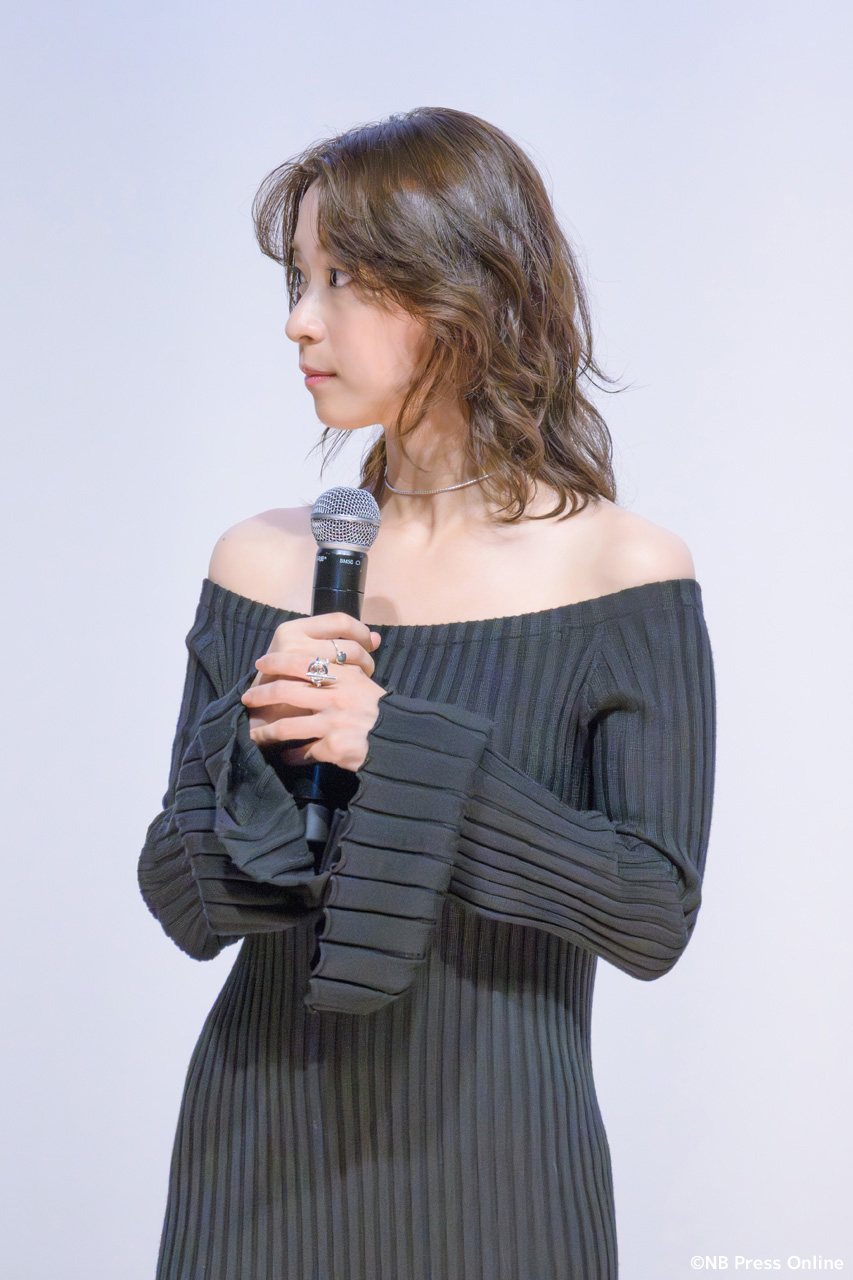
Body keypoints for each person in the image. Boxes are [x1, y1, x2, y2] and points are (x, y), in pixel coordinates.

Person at [138, 106, 716, 1280]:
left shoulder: (621, 569)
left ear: (464, 291)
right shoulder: (262, 560)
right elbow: (180, 894)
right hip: (254, 1163)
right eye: (298, 278)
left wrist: (393, 745)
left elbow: (650, 910)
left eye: (343, 278)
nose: (300, 320)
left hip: (499, 1167)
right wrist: (259, 750)